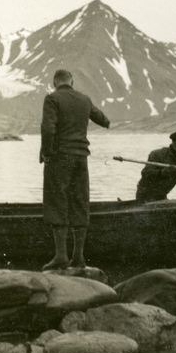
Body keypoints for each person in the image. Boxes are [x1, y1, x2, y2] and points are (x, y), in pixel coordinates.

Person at [40, 69, 110, 270]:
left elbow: (48, 128)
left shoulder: (52, 98)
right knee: (80, 202)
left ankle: (61, 256)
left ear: (55, 82)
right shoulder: (84, 99)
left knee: (57, 202)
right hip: (81, 157)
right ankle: (78, 257)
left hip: (59, 158)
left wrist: (46, 153)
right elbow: (103, 120)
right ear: (72, 81)